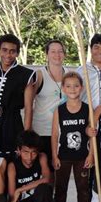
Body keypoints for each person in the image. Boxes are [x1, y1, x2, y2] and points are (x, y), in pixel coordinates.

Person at [0, 34, 36, 158]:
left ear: (17, 53)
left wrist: (25, 137)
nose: (8, 55)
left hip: (12, 124)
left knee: (8, 162)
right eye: (4, 50)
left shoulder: (26, 74)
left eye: (12, 51)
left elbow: (29, 108)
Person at [51, 72, 93, 202]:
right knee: (60, 187)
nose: (72, 89)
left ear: (81, 88)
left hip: (82, 156)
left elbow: (92, 135)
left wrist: (91, 155)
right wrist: (54, 155)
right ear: (63, 88)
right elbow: (55, 135)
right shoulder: (59, 110)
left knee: (83, 187)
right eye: (68, 86)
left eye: (76, 86)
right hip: (63, 156)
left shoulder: (88, 109)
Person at [6, 130, 54, 202]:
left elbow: (47, 179)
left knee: (44, 189)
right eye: (25, 152)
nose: (30, 157)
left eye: (33, 152)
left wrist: (20, 190)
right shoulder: (12, 166)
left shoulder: (42, 157)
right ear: (18, 150)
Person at [32, 40, 68, 172]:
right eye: (53, 51)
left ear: (64, 54)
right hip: (42, 131)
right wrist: (27, 129)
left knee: (60, 173)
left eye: (60, 51)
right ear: (46, 54)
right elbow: (28, 102)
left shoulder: (70, 74)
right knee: (43, 172)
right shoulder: (39, 75)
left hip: (62, 132)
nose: (57, 55)